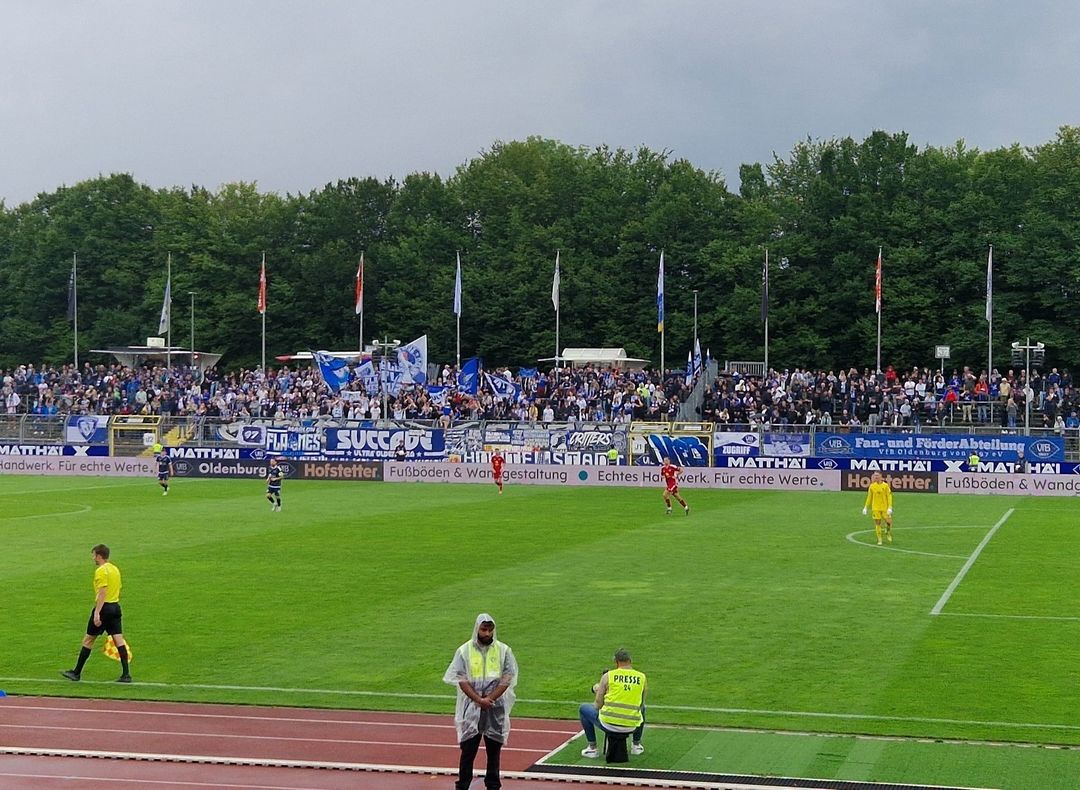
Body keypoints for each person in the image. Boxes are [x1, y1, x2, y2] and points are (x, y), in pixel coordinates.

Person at [443, 613, 518, 790]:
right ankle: (462, 785)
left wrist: (489, 699)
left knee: (494, 750)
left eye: (490, 630)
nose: (487, 634)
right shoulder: (464, 651)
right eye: (484, 630)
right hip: (471, 707)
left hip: (495, 706)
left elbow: (507, 678)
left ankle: (493, 785)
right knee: (468, 750)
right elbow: (461, 679)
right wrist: (478, 699)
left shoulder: (503, 650)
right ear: (477, 628)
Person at [62, 544, 131, 683]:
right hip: (115, 607)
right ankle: (126, 674)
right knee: (118, 640)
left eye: (94, 555)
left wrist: (97, 613)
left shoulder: (101, 571)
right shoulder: (115, 569)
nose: (93, 558)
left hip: (104, 608)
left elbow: (102, 592)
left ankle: (76, 673)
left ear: (99, 556)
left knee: (88, 639)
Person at [579, 648, 647, 758]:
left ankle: (592, 748)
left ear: (616, 662)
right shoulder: (642, 677)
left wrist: (601, 692)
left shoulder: (608, 676)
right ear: (630, 660)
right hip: (632, 726)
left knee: (583, 708)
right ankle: (636, 745)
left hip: (609, 724)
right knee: (643, 708)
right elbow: (640, 704)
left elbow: (597, 705)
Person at [862, 471, 894, 545]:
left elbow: (889, 496)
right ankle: (879, 539)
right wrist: (866, 507)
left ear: (881, 476)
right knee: (878, 523)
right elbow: (869, 497)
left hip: (885, 508)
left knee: (889, 522)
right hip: (875, 508)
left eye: (877, 475)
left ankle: (888, 532)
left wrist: (890, 507)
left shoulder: (885, 486)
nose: (876, 477)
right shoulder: (872, 486)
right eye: (875, 475)